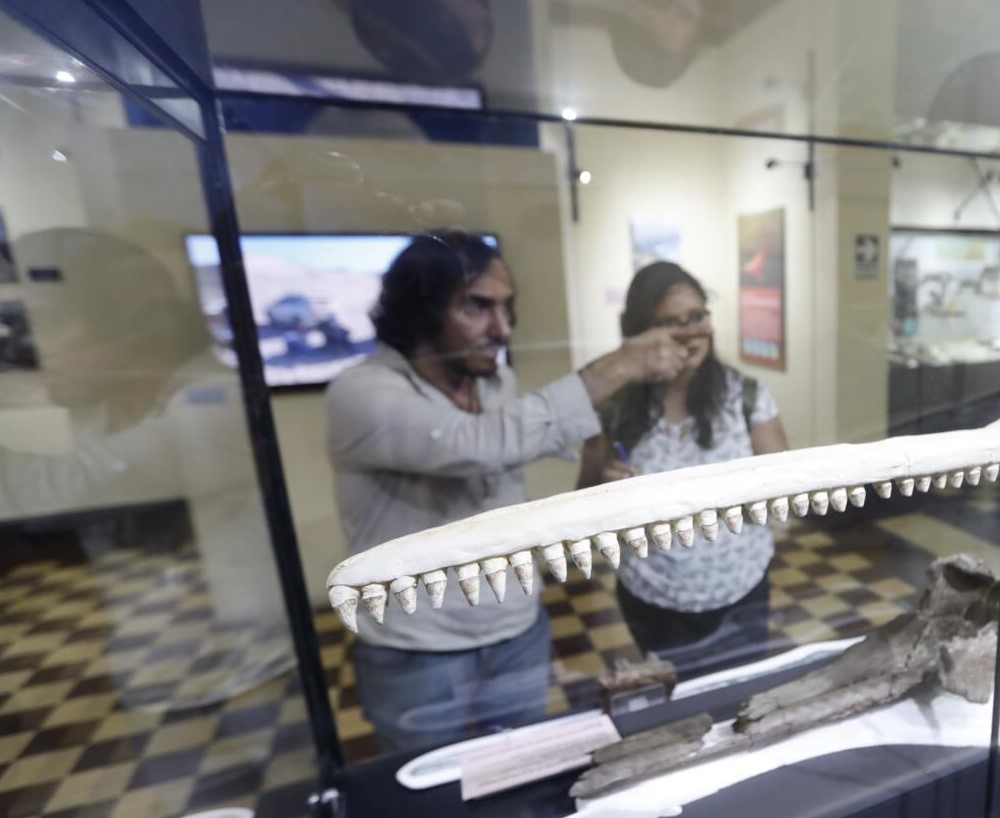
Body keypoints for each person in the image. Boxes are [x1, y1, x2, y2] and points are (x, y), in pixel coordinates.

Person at [327, 231, 689, 754]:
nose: (502, 328)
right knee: (434, 802)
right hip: (419, 646)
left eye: (506, 308)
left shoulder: (496, 383)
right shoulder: (360, 392)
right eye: (477, 307)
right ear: (420, 309)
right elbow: (477, 446)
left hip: (516, 628)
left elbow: (510, 458)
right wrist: (621, 365)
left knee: (517, 772)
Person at [578, 261, 788, 659]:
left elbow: (786, 494)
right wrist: (604, 490)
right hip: (651, 592)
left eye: (698, 316)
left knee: (739, 697)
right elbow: (583, 500)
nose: (692, 333)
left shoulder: (746, 397)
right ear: (641, 333)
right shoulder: (614, 407)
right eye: (673, 322)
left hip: (740, 586)